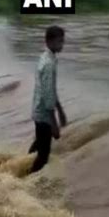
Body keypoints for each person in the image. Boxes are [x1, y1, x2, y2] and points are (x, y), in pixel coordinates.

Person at [28, 25, 67, 173]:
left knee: (40, 142)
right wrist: (54, 124)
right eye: (60, 41)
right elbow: (48, 96)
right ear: (49, 41)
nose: (62, 45)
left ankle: (24, 162)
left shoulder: (45, 56)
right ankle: (27, 180)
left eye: (63, 41)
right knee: (43, 156)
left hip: (38, 109)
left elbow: (48, 90)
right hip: (44, 114)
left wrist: (61, 110)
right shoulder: (49, 64)